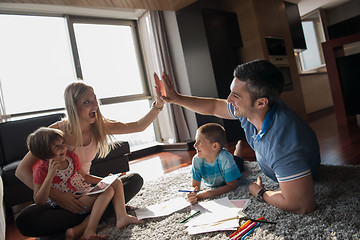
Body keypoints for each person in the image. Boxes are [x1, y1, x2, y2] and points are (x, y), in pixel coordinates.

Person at [157, 59, 321, 214]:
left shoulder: (283, 144)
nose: (229, 99)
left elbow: (302, 206)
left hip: (297, 169)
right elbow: (214, 106)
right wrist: (177, 99)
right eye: (231, 92)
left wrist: (260, 192)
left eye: (236, 95)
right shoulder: (252, 108)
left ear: (261, 103)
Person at [15, 79, 164, 237]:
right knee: (26, 219)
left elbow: (138, 126)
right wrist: (58, 197)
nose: (94, 105)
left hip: (86, 191)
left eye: (94, 99)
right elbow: (21, 171)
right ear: (73, 106)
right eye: (87, 101)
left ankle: (80, 225)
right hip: (59, 199)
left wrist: (159, 105)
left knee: (133, 180)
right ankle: (103, 212)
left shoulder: (100, 125)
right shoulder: (56, 132)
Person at [27, 127, 143, 240]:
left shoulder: (71, 157)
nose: (64, 147)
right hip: (73, 203)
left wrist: (104, 180)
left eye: (63, 142)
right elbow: (39, 200)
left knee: (116, 182)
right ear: (44, 151)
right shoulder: (41, 170)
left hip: (85, 193)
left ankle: (121, 216)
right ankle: (89, 230)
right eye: (57, 146)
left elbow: (84, 176)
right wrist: (49, 176)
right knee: (108, 190)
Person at [187, 123, 242, 204]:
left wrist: (207, 194)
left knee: (238, 159)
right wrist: (192, 193)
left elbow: (232, 185)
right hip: (222, 161)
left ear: (215, 146)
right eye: (196, 141)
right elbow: (195, 185)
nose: (195, 145)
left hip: (233, 164)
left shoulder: (226, 158)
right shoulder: (196, 160)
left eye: (200, 142)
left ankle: (239, 145)